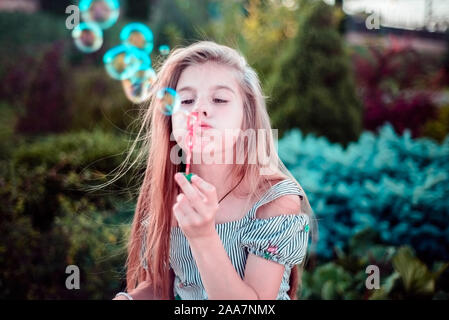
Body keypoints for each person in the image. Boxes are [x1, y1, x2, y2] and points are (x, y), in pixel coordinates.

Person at [113, 41, 316, 300]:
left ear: (247, 117)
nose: (200, 109)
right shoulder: (169, 195)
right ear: (170, 119)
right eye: (186, 100)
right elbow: (163, 287)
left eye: (219, 99)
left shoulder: (274, 200)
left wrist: (203, 236)